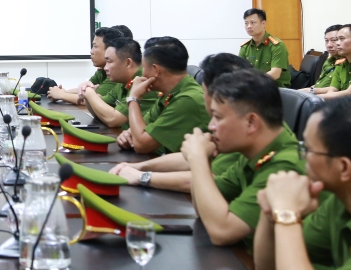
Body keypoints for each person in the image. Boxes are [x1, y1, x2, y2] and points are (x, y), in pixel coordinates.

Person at [182, 70, 304, 247]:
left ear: (251, 122)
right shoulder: (253, 153)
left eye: (217, 117)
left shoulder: (285, 165)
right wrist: (205, 161)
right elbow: (204, 209)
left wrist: (197, 159)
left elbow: (222, 232)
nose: (211, 126)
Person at [109, 53, 253, 192]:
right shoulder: (235, 126)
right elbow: (190, 158)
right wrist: (139, 167)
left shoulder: (238, 132)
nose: (212, 125)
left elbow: (208, 182)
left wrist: (142, 176)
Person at [252, 97, 351, 270]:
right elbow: (269, 264)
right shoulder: (340, 203)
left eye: (308, 149)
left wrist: (286, 212)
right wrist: (270, 211)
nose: (302, 157)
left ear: (343, 167)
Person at [116, 37, 210, 154]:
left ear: (156, 70)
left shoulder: (187, 100)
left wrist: (133, 98)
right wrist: (128, 134)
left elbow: (141, 144)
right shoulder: (170, 93)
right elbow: (138, 132)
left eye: (144, 68)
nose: (141, 74)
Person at [82, 38, 158, 128]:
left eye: (109, 62)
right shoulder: (122, 81)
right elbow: (100, 111)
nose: (105, 68)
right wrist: (88, 95)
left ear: (128, 63)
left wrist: (89, 93)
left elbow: (113, 119)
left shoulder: (144, 82)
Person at [48, 26, 123, 105]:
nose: (91, 51)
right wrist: (63, 92)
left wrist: (61, 95)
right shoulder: (102, 70)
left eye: (95, 46)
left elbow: (96, 101)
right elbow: (85, 91)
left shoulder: (116, 72)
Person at [240, 8, 291, 87]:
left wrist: (253, 82)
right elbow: (239, 71)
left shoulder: (277, 46)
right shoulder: (245, 47)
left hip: (275, 88)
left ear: (263, 23)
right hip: (253, 87)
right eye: (246, 23)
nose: (249, 26)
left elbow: (275, 73)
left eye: (252, 22)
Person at [317, 24, 351, 100]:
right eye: (337, 39)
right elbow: (332, 91)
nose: (337, 43)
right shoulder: (340, 64)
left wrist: (309, 98)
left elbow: (349, 93)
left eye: (342, 39)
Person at [302, 24, 342, 94]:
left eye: (334, 40)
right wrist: (306, 91)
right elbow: (320, 84)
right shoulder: (329, 60)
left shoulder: (347, 63)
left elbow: (340, 89)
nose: (329, 45)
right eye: (326, 41)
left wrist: (310, 91)